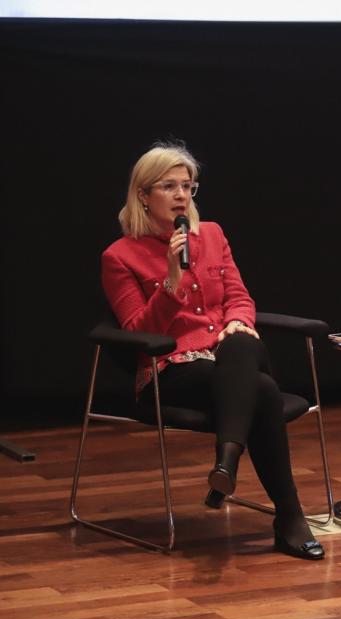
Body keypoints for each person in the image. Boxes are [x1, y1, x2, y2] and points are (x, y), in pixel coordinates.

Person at [101, 142, 324, 560]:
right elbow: (137, 331)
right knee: (263, 391)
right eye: (169, 186)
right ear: (143, 195)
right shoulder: (119, 256)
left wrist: (239, 318)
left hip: (228, 354)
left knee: (240, 341)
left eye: (187, 186)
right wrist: (172, 278)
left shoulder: (214, 235)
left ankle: (227, 464)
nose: (182, 195)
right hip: (173, 369)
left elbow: (239, 295)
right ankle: (286, 513)